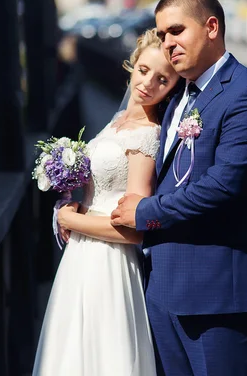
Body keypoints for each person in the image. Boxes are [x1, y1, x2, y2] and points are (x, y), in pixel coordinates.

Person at [111, 0, 247, 376]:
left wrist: (145, 212)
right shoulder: (174, 98)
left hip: (219, 299)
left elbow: (224, 186)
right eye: (162, 34)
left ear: (211, 26)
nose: (167, 43)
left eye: (176, 31)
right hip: (161, 292)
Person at [32, 29, 180, 375]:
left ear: (173, 88)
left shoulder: (147, 135)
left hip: (109, 260)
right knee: (71, 351)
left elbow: (134, 231)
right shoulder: (117, 122)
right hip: (82, 256)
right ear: (132, 65)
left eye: (163, 80)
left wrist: (70, 221)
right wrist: (67, 189)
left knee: (102, 353)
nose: (149, 84)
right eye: (144, 70)